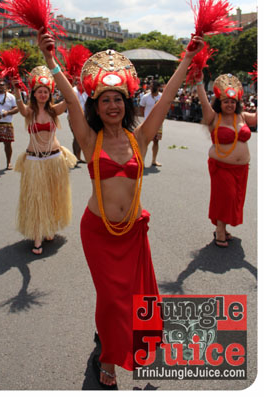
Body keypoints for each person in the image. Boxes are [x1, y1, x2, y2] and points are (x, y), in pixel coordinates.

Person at [38, 28, 204, 388]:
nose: (112, 105)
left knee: (137, 298)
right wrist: (51, 61)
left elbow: (166, 99)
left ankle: (122, 344)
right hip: (98, 231)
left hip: (132, 232)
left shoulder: (140, 137)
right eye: (104, 100)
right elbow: (68, 91)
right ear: (95, 107)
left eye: (118, 99)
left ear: (126, 104)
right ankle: (108, 358)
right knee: (112, 300)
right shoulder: (88, 137)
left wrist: (187, 59)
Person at [11, 66, 77, 255]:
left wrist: (69, 83)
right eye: (39, 91)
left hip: (54, 159)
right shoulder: (29, 112)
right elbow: (21, 108)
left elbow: (69, 100)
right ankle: (38, 237)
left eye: (45, 92)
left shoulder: (55, 111)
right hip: (34, 161)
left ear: (50, 94)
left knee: (53, 196)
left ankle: (49, 228)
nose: (42, 94)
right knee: (37, 198)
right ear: (34, 93)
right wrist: (16, 88)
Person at [196, 73, 257, 247]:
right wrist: (199, 81)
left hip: (241, 169)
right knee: (226, 197)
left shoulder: (243, 117)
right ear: (220, 103)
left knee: (235, 199)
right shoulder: (213, 118)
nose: (229, 104)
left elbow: (257, 117)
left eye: (232, 101)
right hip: (221, 167)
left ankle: (222, 226)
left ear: (237, 103)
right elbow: (203, 101)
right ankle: (220, 231)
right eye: (226, 101)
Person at [138, 79, 163, 166]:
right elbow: (141, 107)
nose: (152, 88)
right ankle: (142, 161)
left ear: (158, 87)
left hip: (158, 123)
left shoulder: (161, 97)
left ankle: (154, 160)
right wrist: (146, 117)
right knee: (145, 142)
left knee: (156, 141)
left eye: (154, 86)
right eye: (151, 86)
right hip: (147, 122)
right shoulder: (145, 97)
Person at [70, 77, 88, 163]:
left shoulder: (87, 91)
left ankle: (78, 157)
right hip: (74, 116)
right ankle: (75, 158)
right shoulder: (73, 91)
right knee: (77, 137)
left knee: (81, 137)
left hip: (85, 117)